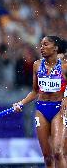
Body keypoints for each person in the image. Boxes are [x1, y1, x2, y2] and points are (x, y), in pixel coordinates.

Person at [13, 36, 67, 168]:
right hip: (41, 109)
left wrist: (66, 98)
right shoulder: (37, 65)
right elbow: (35, 91)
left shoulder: (64, 66)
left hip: (59, 109)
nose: (42, 48)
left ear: (55, 48)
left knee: (58, 152)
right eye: (41, 45)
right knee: (48, 157)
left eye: (46, 45)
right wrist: (21, 103)